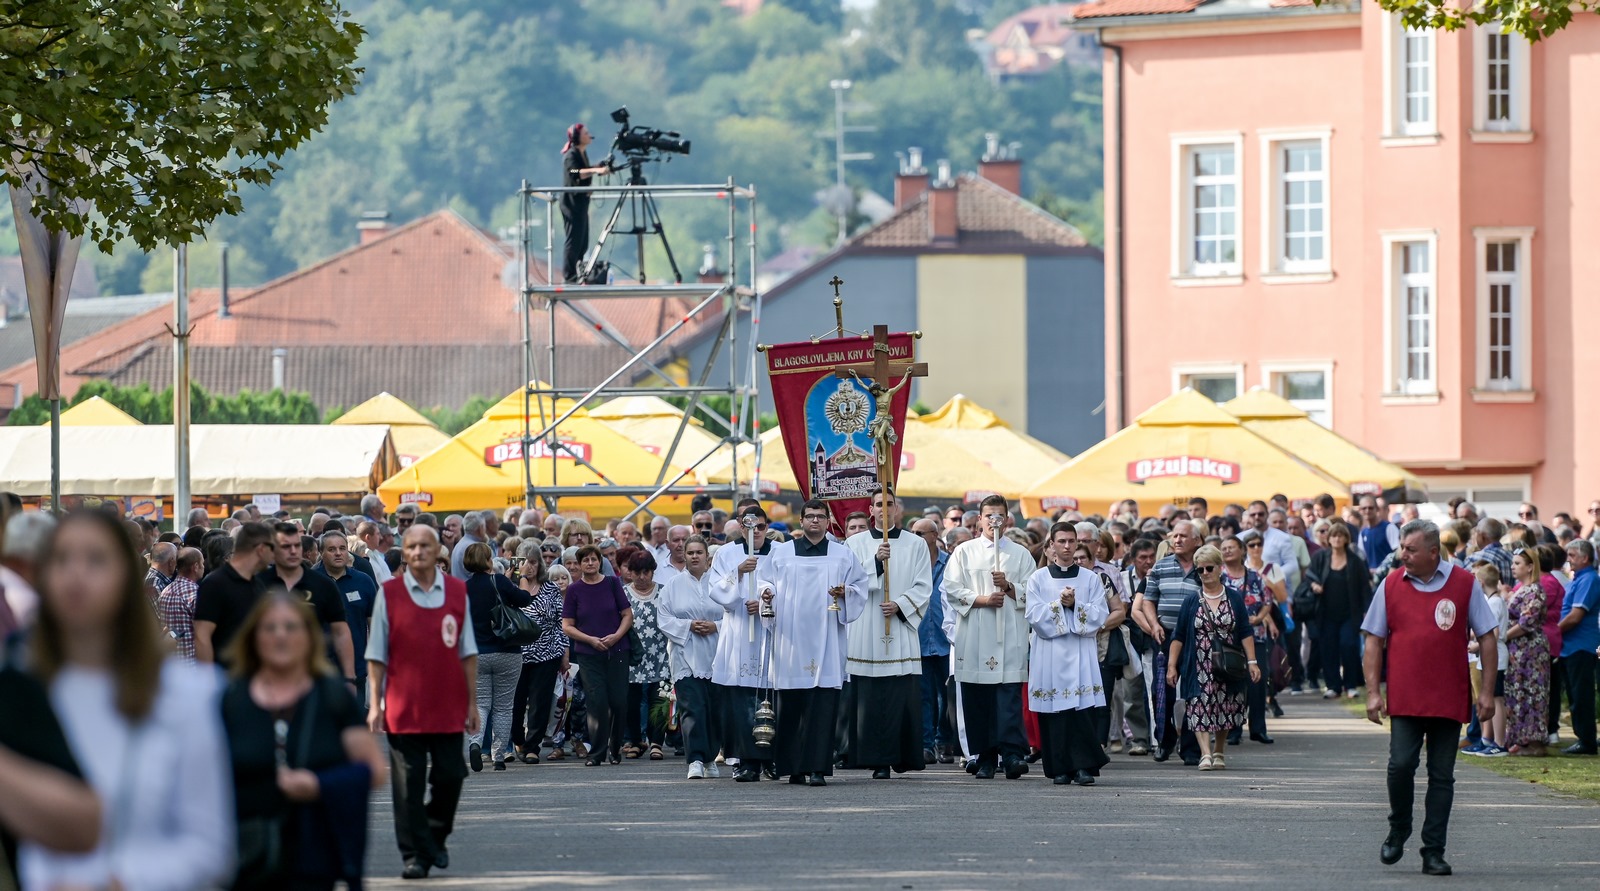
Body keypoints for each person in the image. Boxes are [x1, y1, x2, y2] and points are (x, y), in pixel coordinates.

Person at [21, 509, 233, 891]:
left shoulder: (185, 694)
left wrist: (119, 881)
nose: (76, 574)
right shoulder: (24, 689)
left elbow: (211, 847)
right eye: (61, 559)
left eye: (96, 560)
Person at [221, 590, 386, 891]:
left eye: (291, 627)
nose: (280, 636)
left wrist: (319, 785)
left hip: (313, 856)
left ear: (309, 637)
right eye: (269, 628)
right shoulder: (230, 699)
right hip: (243, 854)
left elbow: (373, 769)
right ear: (253, 638)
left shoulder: (331, 696)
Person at [1362, 520, 1499, 877]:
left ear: (1433, 552)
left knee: (1442, 775)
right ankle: (1399, 826)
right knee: (1401, 765)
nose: (1401, 554)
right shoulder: (1391, 584)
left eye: (1409, 549)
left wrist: (1485, 693)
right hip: (1406, 696)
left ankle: (1433, 851)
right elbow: (1373, 640)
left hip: (1448, 695)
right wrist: (1374, 692)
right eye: (1402, 548)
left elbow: (1487, 637)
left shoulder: (1464, 583)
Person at [365, 524, 478, 881]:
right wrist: (375, 703)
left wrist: (473, 703)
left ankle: (434, 834)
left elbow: (468, 651)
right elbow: (377, 653)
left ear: (437, 551)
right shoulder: (390, 593)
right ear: (405, 550)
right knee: (407, 785)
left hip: (448, 704)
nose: (417, 552)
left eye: (424, 546)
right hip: (404, 704)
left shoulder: (458, 592)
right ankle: (414, 854)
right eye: (410, 546)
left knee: (451, 777)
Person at [756, 499, 868, 787]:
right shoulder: (782, 553)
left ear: (828, 520)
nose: (815, 521)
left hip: (826, 638)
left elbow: (860, 586)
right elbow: (763, 581)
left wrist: (846, 592)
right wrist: (767, 594)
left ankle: (817, 767)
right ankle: (793, 768)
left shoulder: (842, 554)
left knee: (821, 708)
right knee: (791, 706)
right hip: (790, 638)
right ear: (801, 520)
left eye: (820, 517)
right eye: (810, 517)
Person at [945, 495, 1038, 780]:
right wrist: (983, 599)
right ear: (980, 519)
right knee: (978, 699)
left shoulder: (1020, 554)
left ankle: (1011, 755)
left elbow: (1032, 592)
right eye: (989, 516)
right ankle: (984, 756)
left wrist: (1009, 587)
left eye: (999, 516)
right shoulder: (964, 552)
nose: (994, 521)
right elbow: (951, 588)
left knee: (1008, 698)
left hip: (1008, 635)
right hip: (976, 632)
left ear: (1007, 519)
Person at [842, 487, 933, 779]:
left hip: (899, 626)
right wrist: (876, 563)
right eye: (878, 504)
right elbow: (847, 584)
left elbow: (923, 586)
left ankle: (900, 756)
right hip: (866, 626)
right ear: (871, 510)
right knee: (867, 697)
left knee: (898, 695)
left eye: (889, 504)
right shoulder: (854, 543)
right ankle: (872, 759)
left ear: (898, 509)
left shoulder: (915, 544)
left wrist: (900, 605)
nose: (884, 509)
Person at [1025, 523, 1111, 786]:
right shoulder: (1038, 578)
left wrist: (1075, 605)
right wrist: (1058, 605)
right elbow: (1034, 616)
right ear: (1050, 545)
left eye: (1071, 541)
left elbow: (1101, 614)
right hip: (1049, 655)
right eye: (1060, 541)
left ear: (1077, 544)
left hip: (1080, 652)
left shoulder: (1090, 579)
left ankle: (1083, 766)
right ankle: (1058, 768)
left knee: (1080, 712)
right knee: (1054, 713)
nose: (1066, 546)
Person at [1168, 544, 1259, 772]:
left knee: (1224, 707)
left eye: (1209, 568)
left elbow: (1246, 631)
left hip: (1227, 664)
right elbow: (1178, 636)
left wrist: (1252, 661)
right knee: (1198, 707)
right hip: (1197, 664)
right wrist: (1172, 665)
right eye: (1200, 570)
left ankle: (1218, 750)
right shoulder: (1191, 601)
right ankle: (1205, 754)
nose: (1205, 573)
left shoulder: (1234, 598)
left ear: (1219, 568)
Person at [708, 505, 777, 782]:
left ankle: (772, 758)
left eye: (760, 526)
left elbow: (789, 586)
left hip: (771, 631)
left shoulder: (780, 551)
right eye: (749, 526)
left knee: (771, 696)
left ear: (766, 526)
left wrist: (764, 601)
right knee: (740, 700)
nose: (755, 532)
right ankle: (745, 761)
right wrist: (736, 574)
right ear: (739, 524)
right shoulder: (727, 553)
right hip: (739, 630)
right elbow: (715, 589)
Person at [1135, 520, 1203, 766]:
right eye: (1174, 536)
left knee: (1193, 692)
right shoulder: (1161, 567)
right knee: (1161, 692)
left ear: (1197, 541)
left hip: (1197, 637)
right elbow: (1148, 601)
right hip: (1164, 635)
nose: (1177, 540)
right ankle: (1164, 741)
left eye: (1183, 536)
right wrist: (1153, 625)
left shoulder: (1204, 567)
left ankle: (1191, 747)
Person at [462, 541, 533, 772]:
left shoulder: (463, 588)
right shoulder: (500, 581)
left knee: (480, 704)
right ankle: (499, 756)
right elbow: (524, 599)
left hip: (477, 654)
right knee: (504, 706)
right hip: (507, 652)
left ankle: (475, 743)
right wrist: (519, 578)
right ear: (488, 560)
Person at [260, 522, 357, 692]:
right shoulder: (258, 583)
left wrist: (349, 679)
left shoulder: (322, 584)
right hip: (267, 673)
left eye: (297, 545)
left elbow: (340, 631)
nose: (292, 551)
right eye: (285, 546)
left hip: (313, 674)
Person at [561, 545, 634, 766]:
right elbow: (567, 626)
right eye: (585, 560)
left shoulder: (612, 584)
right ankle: (597, 753)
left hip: (618, 650)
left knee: (619, 701)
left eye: (594, 559)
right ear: (580, 564)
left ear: (599, 562)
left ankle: (616, 749)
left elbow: (627, 615)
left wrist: (616, 636)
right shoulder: (574, 590)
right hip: (588, 653)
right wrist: (590, 639)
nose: (590, 563)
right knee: (597, 702)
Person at [657, 535, 723, 778]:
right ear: (684, 555)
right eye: (691, 552)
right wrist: (688, 626)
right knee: (692, 708)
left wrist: (716, 626)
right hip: (685, 653)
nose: (695, 556)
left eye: (699, 552)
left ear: (707, 556)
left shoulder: (719, 583)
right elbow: (663, 619)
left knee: (714, 708)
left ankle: (710, 758)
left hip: (716, 654)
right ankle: (695, 758)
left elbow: (733, 617)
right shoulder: (673, 585)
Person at [510, 548, 569, 763]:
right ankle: (518, 740)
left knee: (540, 702)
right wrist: (518, 578)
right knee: (515, 704)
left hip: (547, 652)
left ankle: (533, 747)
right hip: (517, 653)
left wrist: (564, 652)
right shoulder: (511, 586)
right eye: (525, 562)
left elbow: (559, 622)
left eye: (534, 562)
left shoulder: (550, 588)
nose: (530, 566)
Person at [1304, 520, 1373, 700]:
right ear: (1328, 538)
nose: (1336, 538)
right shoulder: (1321, 557)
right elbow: (1309, 575)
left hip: (1350, 613)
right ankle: (1333, 685)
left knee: (1349, 646)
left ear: (1346, 538)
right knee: (1328, 649)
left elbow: (1364, 588)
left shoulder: (1355, 561)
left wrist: (1367, 611)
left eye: (1340, 535)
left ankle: (1350, 685)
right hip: (1325, 613)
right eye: (1333, 535)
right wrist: (1314, 585)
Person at [1219, 535, 1276, 745]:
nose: (1227, 551)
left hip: (1256, 636)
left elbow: (1267, 601)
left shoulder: (1255, 577)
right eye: (1223, 548)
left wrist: (1260, 618)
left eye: (1231, 547)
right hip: (1228, 639)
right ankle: (1233, 730)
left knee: (1258, 682)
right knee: (1233, 683)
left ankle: (1258, 729)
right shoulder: (1218, 577)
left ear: (1242, 550)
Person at [194, 520, 276, 665]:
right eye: (273, 548)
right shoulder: (215, 583)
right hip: (224, 677)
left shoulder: (257, 584)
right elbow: (201, 636)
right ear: (261, 549)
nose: (275, 555)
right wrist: (210, 680)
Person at [911, 516, 956, 762]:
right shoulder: (909, 564)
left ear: (934, 536)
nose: (917, 538)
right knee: (923, 696)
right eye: (914, 533)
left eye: (921, 533)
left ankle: (945, 740)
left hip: (945, 637)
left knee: (947, 694)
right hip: (917, 638)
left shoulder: (950, 564)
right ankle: (926, 745)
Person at [622, 550, 672, 760]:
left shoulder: (664, 592)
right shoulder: (623, 593)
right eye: (637, 572)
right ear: (629, 572)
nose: (642, 577)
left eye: (646, 572)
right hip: (633, 656)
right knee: (631, 701)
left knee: (660, 698)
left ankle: (656, 742)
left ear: (652, 572)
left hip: (661, 654)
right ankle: (634, 740)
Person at [1503, 548, 1550, 756]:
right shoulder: (1520, 588)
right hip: (1517, 649)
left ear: (1530, 566)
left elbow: (1526, 623)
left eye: (1518, 563)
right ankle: (1519, 738)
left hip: (1531, 650)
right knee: (1517, 691)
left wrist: (1502, 637)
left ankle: (1534, 742)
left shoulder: (1535, 590)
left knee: (1532, 692)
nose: (1513, 567)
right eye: (1512, 563)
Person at [1558, 539, 1599, 754]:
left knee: (1581, 696)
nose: (1569, 560)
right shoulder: (1578, 578)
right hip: (1571, 645)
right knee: (1575, 695)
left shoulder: (1589, 579)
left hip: (1581, 645)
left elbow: (1575, 616)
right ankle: (1584, 737)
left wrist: (1554, 633)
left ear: (1585, 557)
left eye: (1572, 555)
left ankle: (1586, 740)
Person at [560, 122, 611, 282]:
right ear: (577, 137)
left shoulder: (582, 154)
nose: (589, 135)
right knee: (574, 239)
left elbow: (583, 170)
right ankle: (569, 276)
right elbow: (574, 172)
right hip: (572, 203)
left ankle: (579, 272)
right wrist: (595, 170)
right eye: (586, 133)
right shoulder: (571, 155)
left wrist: (596, 167)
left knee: (583, 241)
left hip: (581, 203)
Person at [157, 546, 206, 662]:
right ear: (195, 567)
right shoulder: (195, 593)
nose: (204, 567)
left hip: (171, 664)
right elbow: (203, 633)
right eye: (202, 563)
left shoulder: (165, 591)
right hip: (192, 665)